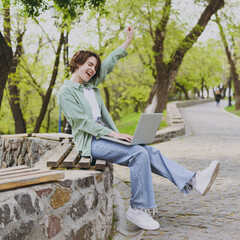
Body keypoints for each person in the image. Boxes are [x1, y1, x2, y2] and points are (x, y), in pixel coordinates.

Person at [57, 26, 220, 231]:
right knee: (138, 154)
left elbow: (108, 64)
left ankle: (194, 180)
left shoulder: (90, 86)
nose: (93, 69)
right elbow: (82, 123)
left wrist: (127, 41)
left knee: (149, 151)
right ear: (77, 62)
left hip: (105, 137)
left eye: (94, 67)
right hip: (90, 142)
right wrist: (114, 133)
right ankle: (137, 208)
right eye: (89, 64)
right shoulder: (65, 92)